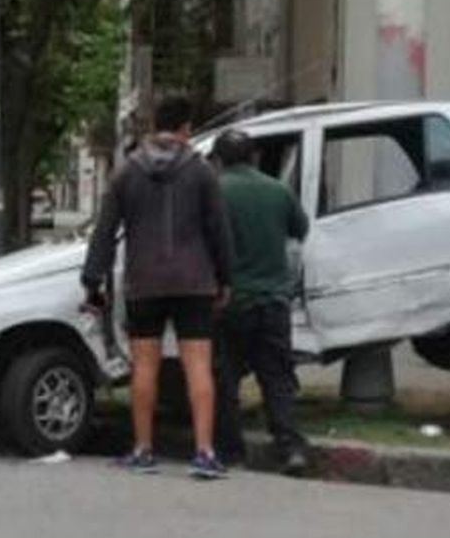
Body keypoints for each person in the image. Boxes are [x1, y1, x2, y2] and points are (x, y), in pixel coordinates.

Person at [82, 95, 234, 479]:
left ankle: (143, 449)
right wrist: (226, 277)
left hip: (144, 281)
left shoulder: (127, 172)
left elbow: (105, 230)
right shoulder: (202, 172)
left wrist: (92, 278)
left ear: (154, 126)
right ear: (185, 129)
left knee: (144, 365)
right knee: (198, 365)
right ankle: (204, 452)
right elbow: (219, 230)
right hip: (195, 281)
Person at [211, 129, 312, 476]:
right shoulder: (278, 190)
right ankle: (290, 448)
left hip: (230, 301)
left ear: (219, 160)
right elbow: (301, 228)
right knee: (277, 378)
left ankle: (230, 450)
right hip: (273, 300)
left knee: (225, 379)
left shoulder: (214, 192)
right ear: (253, 157)